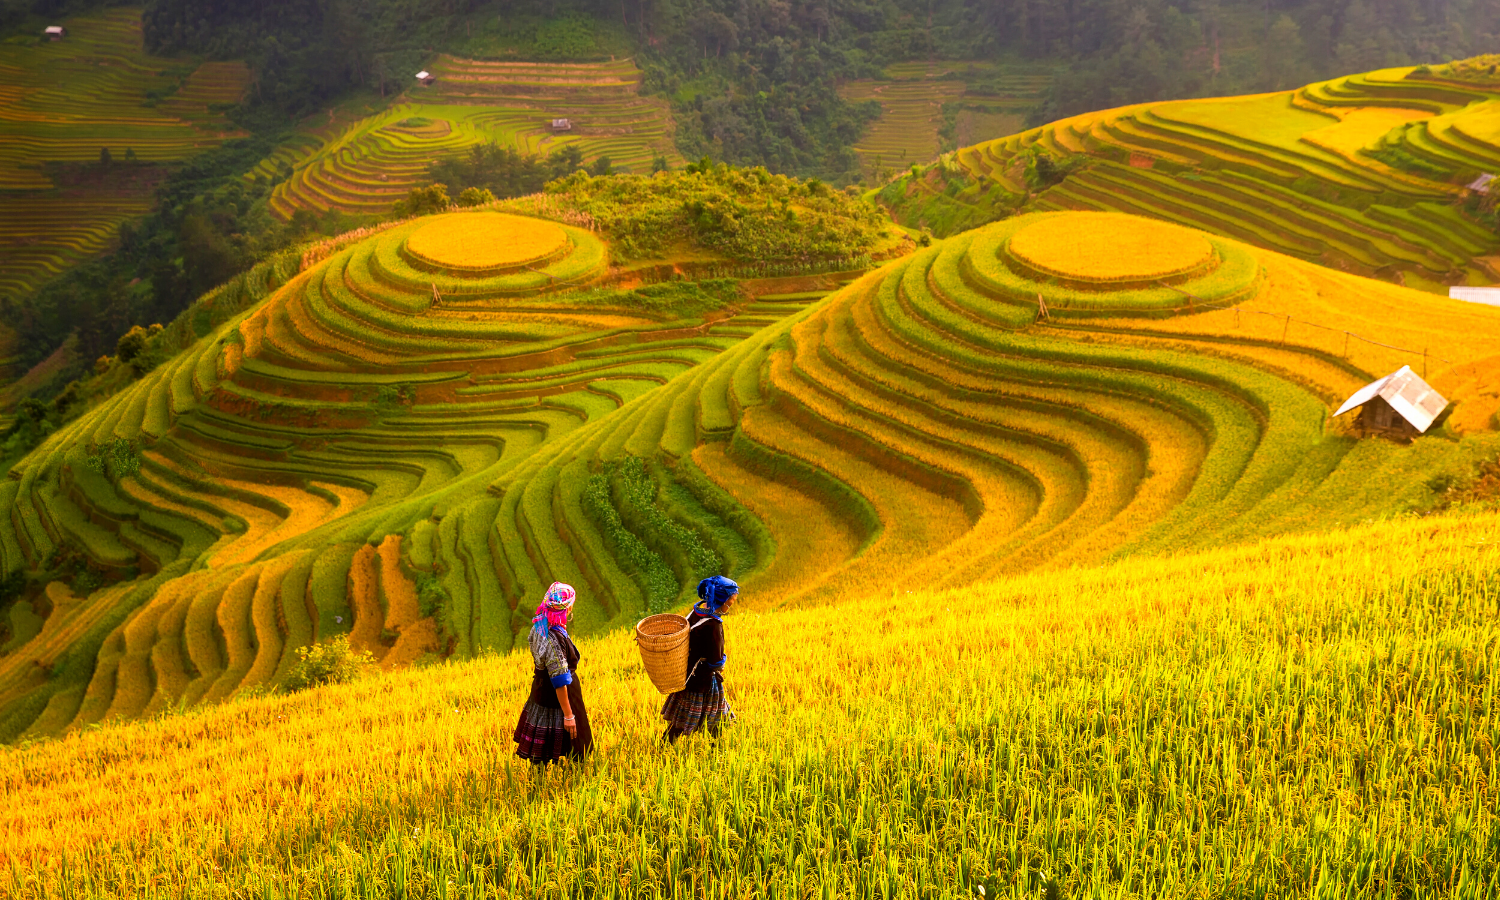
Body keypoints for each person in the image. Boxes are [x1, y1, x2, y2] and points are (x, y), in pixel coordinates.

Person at [513, 582, 593, 764]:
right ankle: (573, 780)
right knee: (577, 745)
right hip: (558, 695)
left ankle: (540, 780)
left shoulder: (538, 626)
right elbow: (559, 679)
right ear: (567, 608)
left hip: (540, 690)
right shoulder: (553, 638)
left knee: (541, 749)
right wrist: (568, 715)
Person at [662, 575, 738, 743]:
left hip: (687, 673)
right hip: (703, 679)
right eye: (730, 602)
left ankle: (717, 748)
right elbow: (716, 661)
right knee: (708, 716)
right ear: (722, 600)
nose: (730, 605)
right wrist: (722, 664)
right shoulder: (713, 625)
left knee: (687, 715)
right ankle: (665, 745)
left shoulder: (695, 612)